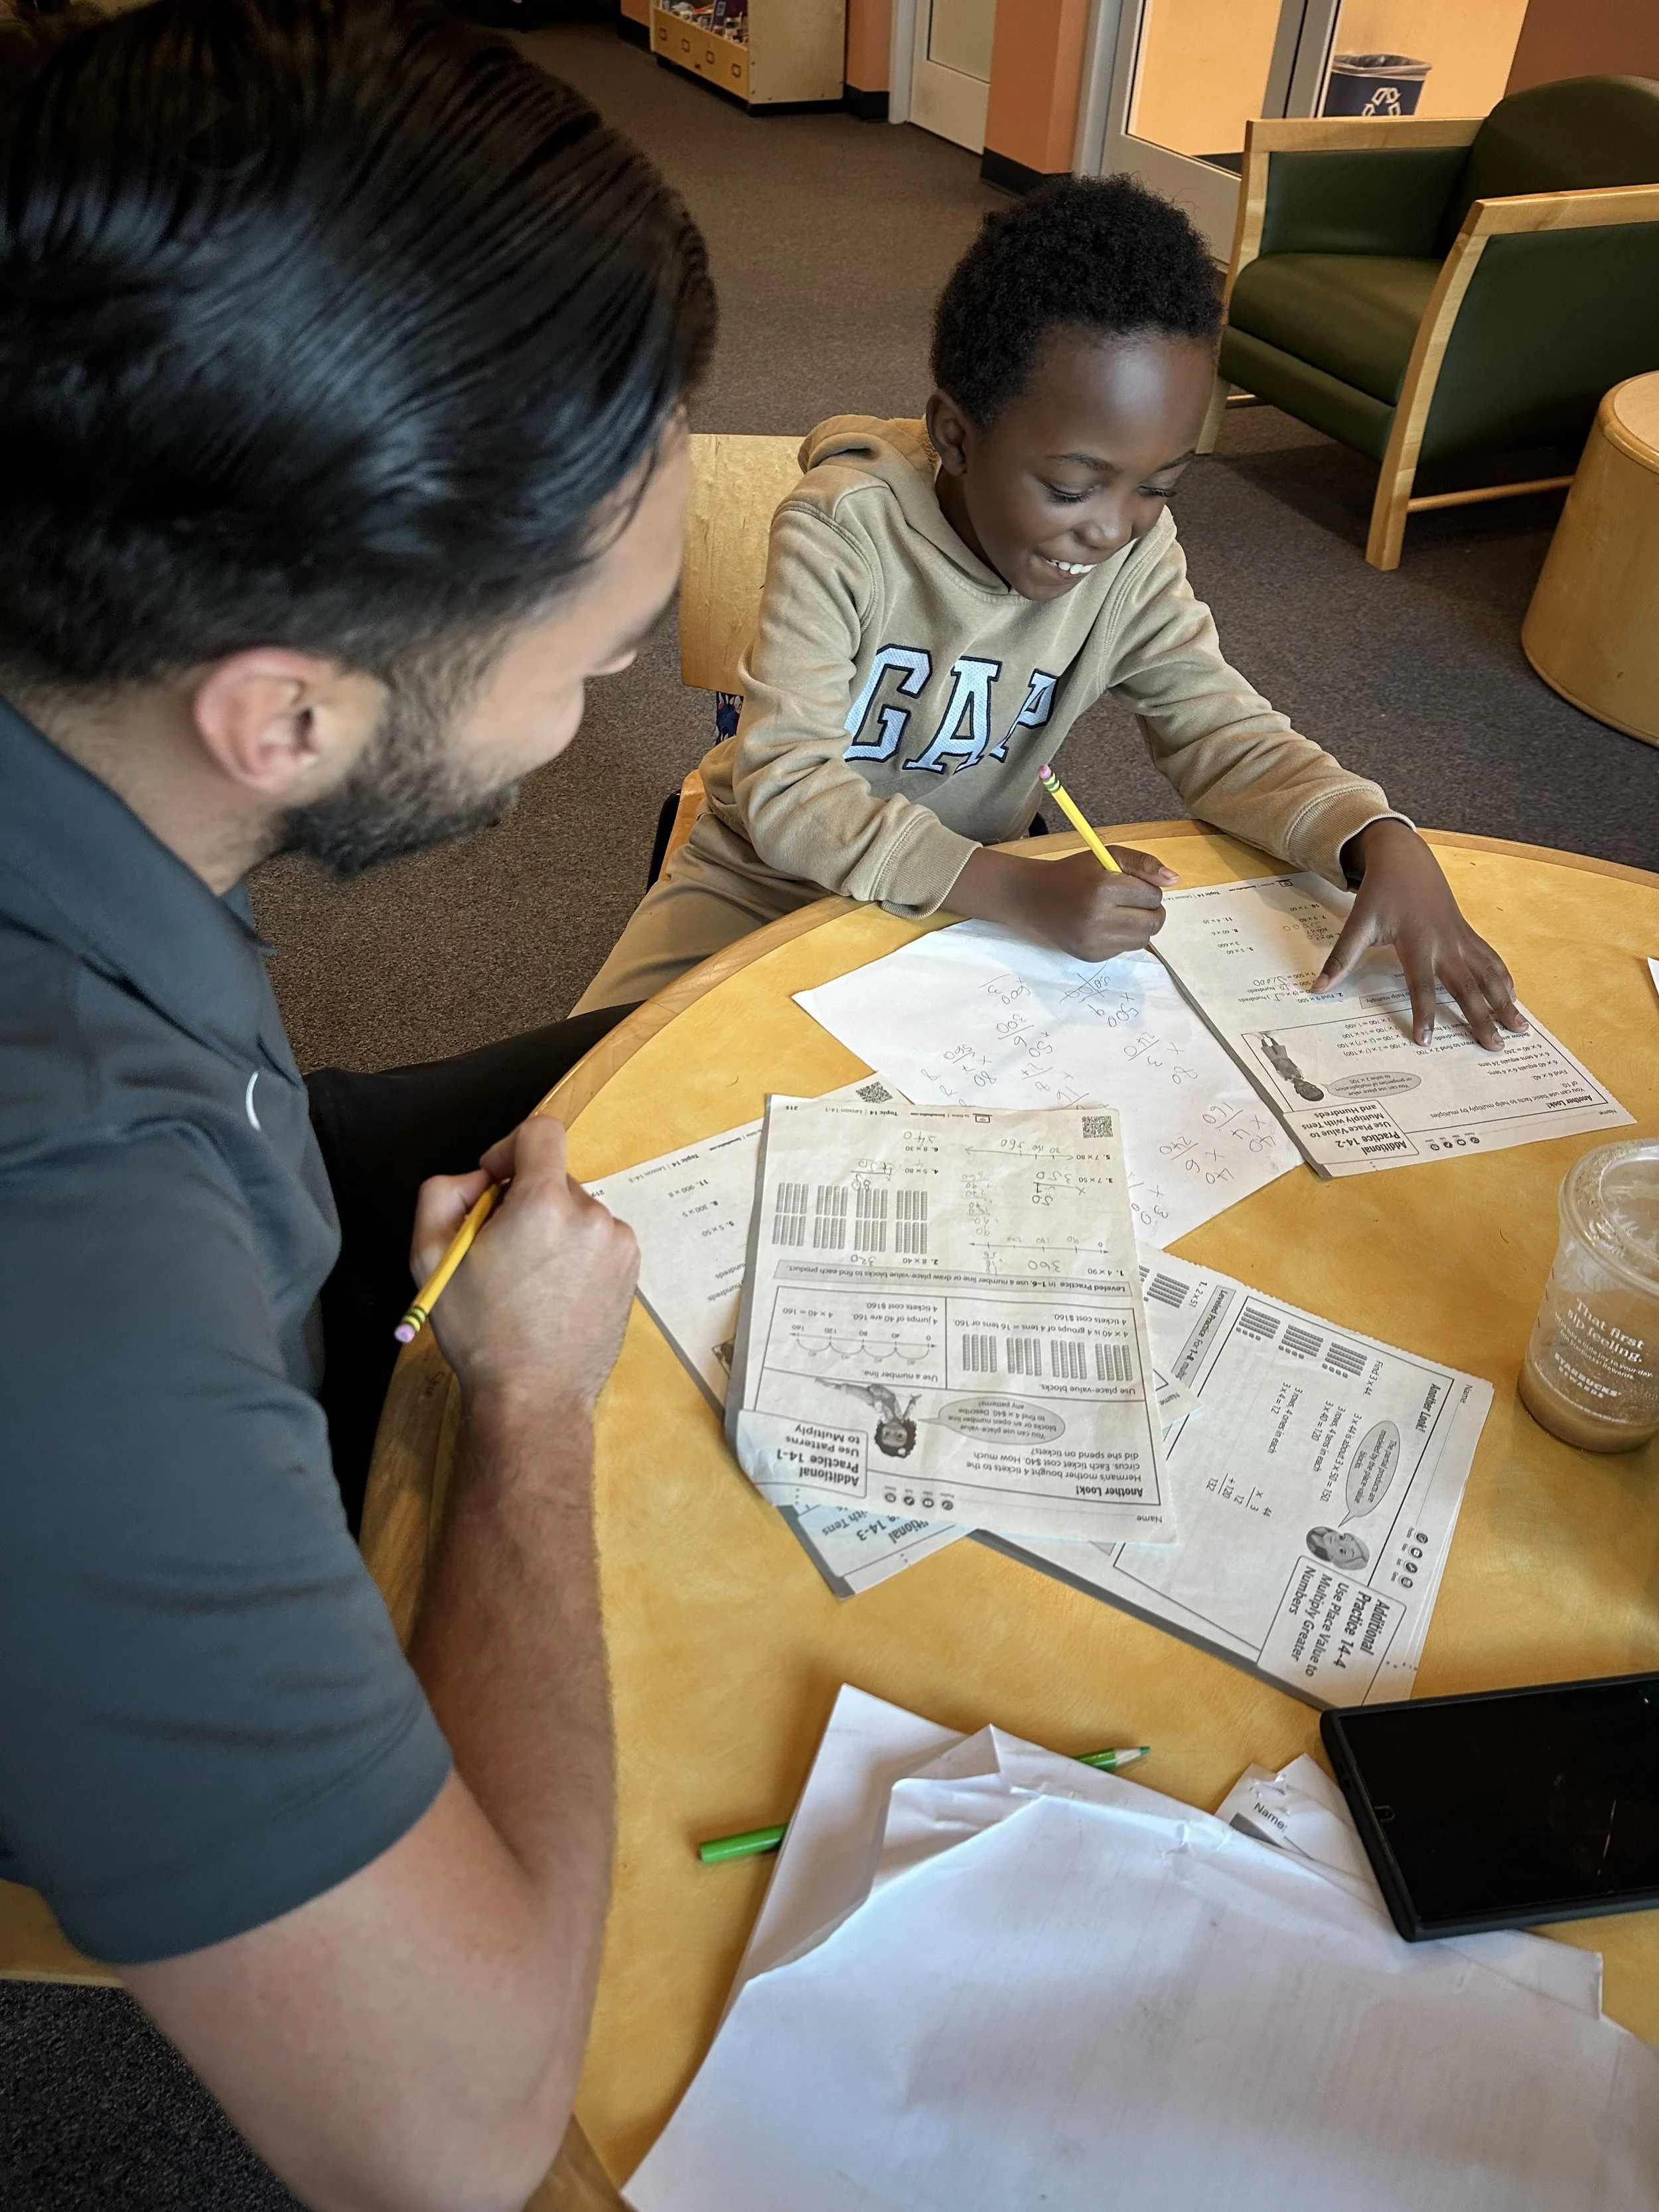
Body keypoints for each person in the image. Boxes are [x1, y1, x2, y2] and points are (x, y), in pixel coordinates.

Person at [0, 2, 715, 2206]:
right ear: (284, 715)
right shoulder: (75, 1265)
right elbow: (461, 2129)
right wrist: (521, 1407)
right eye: (590, 665)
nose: (602, 712)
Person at [575, 177, 1526, 1057]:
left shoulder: (1136, 555)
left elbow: (1222, 730)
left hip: (976, 888)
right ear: (955, 435)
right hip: (765, 881)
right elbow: (788, 790)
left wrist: (1378, 837)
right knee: (575, 1088)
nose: (1112, 529)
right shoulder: (845, 529)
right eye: (1073, 487)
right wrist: (1014, 888)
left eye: (1157, 486)